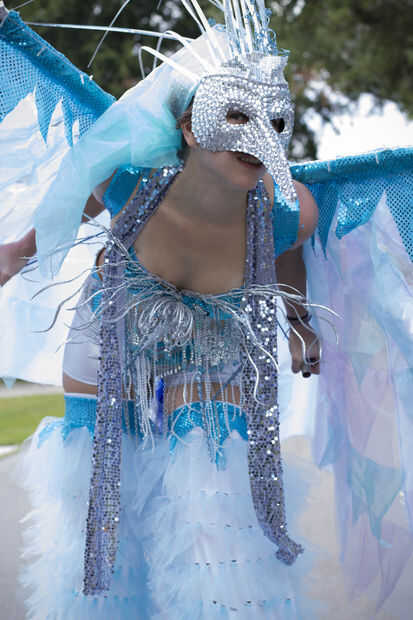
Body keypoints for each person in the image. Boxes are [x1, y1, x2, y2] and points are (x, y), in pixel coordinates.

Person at [1, 1, 412, 618]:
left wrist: (300, 327)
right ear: (190, 128)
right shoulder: (128, 177)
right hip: (112, 330)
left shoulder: (290, 209)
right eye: (237, 114)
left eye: (273, 119)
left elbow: (287, 256)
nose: (257, 135)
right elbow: (74, 193)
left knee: (213, 501)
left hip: (216, 341)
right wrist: (18, 251)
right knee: (101, 497)